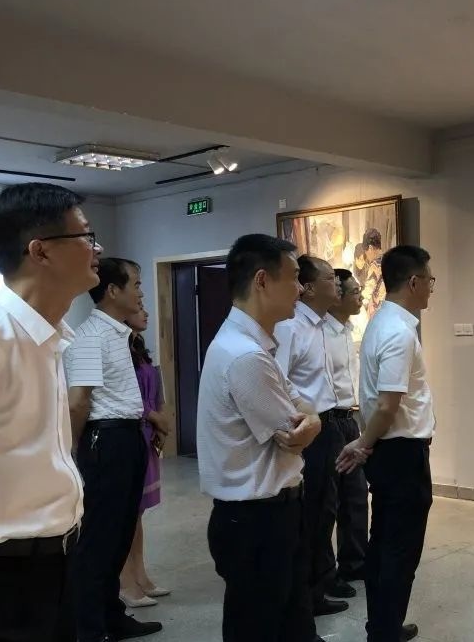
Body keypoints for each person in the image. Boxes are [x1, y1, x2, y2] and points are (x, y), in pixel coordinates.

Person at [197, 234, 324, 642]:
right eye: (294, 277)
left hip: (270, 514)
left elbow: (306, 409)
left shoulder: (253, 346)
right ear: (262, 281)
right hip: (256, 521)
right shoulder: (245, 356)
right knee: (260, 626)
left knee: (291, 621)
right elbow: (293, 432)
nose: (300, 289)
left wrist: (313, 421)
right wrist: (311, 423)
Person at [0, 183, 100, 642]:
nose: (97, 248)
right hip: (10, 571)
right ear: (40, 251)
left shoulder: (51, 332)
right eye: (86, 236)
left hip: (58, 556)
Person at [337, 245, 436, 642]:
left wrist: (366, 443)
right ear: (413, 282)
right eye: (429, 280)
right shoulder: (397, 332)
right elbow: (387, 404)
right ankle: (384, 631)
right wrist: (363, 443)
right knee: (400, 549)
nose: (431, 287)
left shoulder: (384, 322)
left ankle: (382, 625)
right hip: (401, 453)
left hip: (391, 450)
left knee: (383, 543)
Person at [65, 257, 163, 642]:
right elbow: (78, 403)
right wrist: (74, 455)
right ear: (112, 290)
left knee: (121, 533)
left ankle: (112, 616)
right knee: (99, 539)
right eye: (135, 284)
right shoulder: (90, 336)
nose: (140, 292)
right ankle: (90, 628)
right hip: (105, 440)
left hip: (127, 437)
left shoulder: (119, 334)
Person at [273, 255, 351, 616]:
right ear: (307, 287)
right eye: (330, 278)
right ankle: (306, 596)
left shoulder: (318, 325)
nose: (337, 284)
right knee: (311, 515)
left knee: (326, 510)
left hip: (328, 425)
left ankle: (319, 586)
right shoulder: (291, 327)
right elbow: (279, 382)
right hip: (310, 431)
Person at [119, 308, 172, 608]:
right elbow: (126, 397)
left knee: (137, 513)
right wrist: (154, 416)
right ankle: (125, 580)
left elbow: (156, 390)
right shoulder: (116, 349)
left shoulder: (138, 347)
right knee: (126, 513)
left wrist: (161, 421)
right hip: (132, 431)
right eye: (138, 305)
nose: (146, 311)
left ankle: (140, 574)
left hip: (147, 435)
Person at [326, 268, 369, 582]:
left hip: (348, 420)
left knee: (355, 496)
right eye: (354, 291)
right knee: (327, 501)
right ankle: (324, 575)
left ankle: (355, 563)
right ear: (336, 296)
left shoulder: (347, 330)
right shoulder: (319, 333)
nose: (360, 297)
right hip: (327, 420)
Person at [362, 228, 386, 318]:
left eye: (366, 252)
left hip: (379, 310)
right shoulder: (389, 260)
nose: (367, 257)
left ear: (370, 248)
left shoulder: (375, 266)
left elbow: (369, 289)